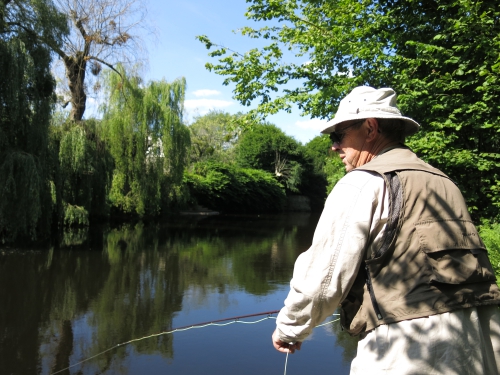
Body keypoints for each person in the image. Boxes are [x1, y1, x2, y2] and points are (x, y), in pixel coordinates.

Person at [272, 86, 500, 374]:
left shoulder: (362, 183)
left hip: (409, 355)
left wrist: (289, 329)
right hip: (480, 348)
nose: (334, 146)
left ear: (370, 128)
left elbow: (323, 280)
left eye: (338, 135)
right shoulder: (445, 183)